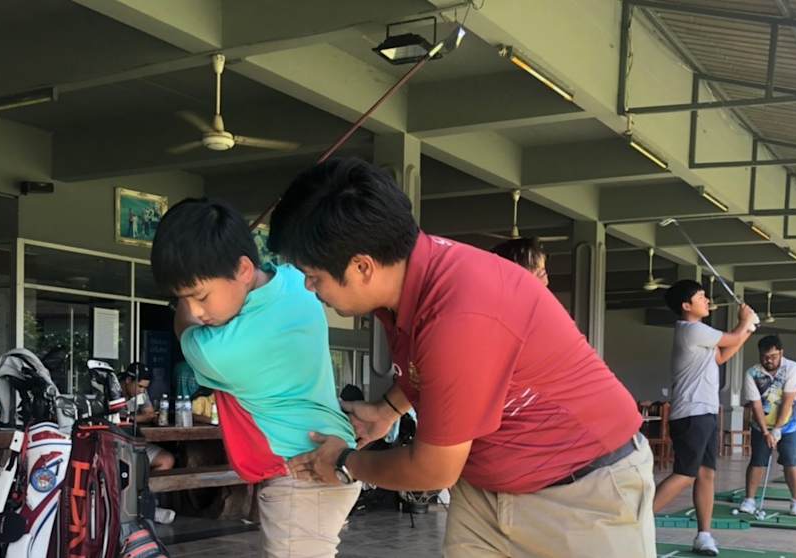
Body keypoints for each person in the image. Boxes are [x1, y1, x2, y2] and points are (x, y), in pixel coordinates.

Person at [268, 157, 655, 558]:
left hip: (582, 493)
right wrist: (387, 410)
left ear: (363, 266)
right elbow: (434, 369)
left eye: (314, 276)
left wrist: (345, 463)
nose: (310, 288)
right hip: (485, 488)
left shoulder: (459, 312)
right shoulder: (408, 282)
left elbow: (434, 469)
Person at [150, 197, 360, 557]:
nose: (196, 311)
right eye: (183, 299)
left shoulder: (221, 352)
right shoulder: (297, 282)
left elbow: (185, 330)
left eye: (199, 296)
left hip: (301, 473)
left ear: (244, 269)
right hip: (326, 455)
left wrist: (180, 307)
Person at [653, 279, 756, 556]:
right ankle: (635, 523)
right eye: (701, 296)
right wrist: (744, 322)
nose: (707, 300)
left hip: (706, 411)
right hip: (691, 413)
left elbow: (722, 356)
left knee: (706, 474)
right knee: (685, 474)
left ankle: (704, 535)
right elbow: (731, 339)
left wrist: (747, 329)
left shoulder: (701, 333)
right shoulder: (692, 330)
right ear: (686, 306)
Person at [738, 335, 796, 518]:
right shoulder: (752, 373)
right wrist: (765, 431)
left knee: (790, 460)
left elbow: (788, 402)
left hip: (789, 425)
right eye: (764, 357)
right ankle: (749, 500)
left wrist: (776, 430)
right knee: (757, 460)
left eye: (773, 357)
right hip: (760, 425)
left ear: (781, 353)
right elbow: (756, 405)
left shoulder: (793, 369)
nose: (768, 360)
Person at [118, 362, 176, 473]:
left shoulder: (141, 392)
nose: (142, 390)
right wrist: (136, 418)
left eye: (145, 387)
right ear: (128, 380)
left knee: (166, 460)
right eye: (140, 386)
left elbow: (149, 414)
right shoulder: (113, 390)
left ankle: (144, 484)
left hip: (135, 442)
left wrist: (130, 418)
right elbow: (115, 421)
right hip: (114, 446)